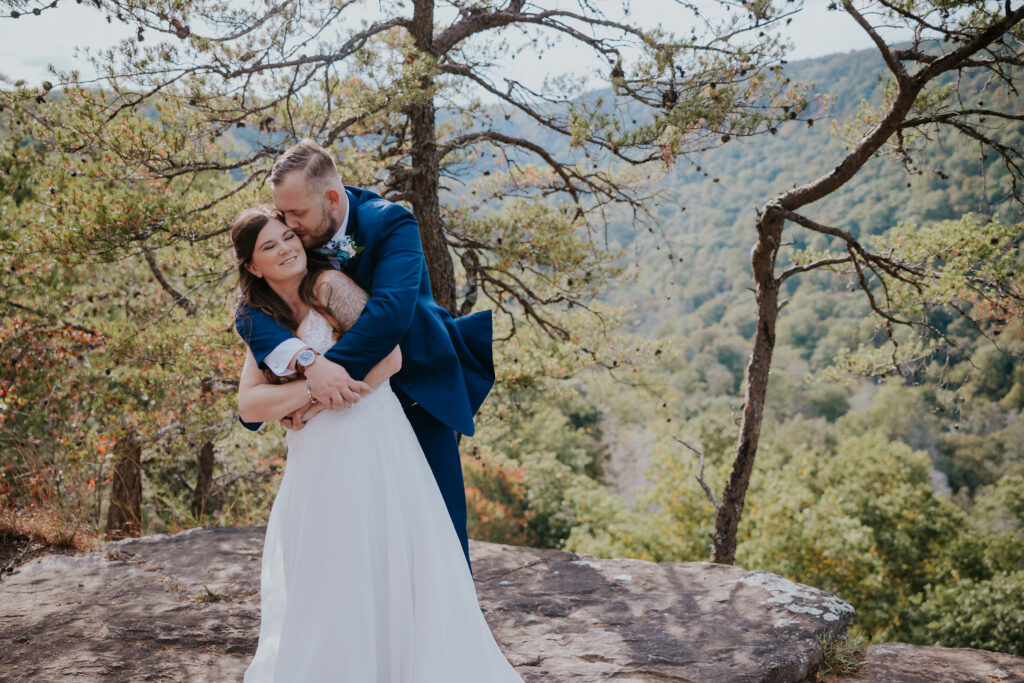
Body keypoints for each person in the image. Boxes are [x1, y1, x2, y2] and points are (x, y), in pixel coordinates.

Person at [231, 207, 522, 681]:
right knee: (329, 577)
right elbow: (249, 405)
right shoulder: (262, 319)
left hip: (370, 442)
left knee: (381, 562)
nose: (286, 248)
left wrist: (314, 402)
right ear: (251, 266)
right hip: (314, 465)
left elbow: (388, 357)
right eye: (270, 246)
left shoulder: (329, 287)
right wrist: (310, 389)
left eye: (288, 237)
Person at [234, 139, 493, 571]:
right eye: (282, 215)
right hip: (341, 417)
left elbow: (388, 316)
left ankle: (445, 632)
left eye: (295, 215)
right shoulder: (296, 236)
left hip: (416, 387)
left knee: (437, 528)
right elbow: (252, 306)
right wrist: (305, 362)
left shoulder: (390, 223)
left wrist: (318, 387)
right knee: (358, 541)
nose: (288, 227)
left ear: (331, 199)